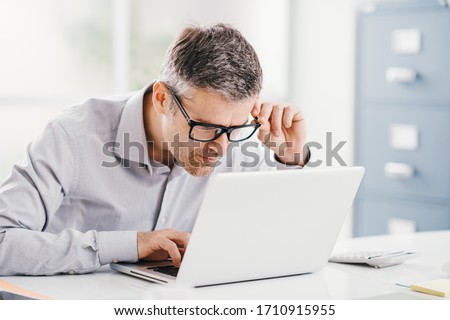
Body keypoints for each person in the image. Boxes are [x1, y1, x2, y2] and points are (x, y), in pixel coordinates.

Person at [0, 23, 309, 275]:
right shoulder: (72, 137)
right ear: (163, 99)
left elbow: (287, 247)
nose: (221, 147)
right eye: (205, 127)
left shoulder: (238, 138)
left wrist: (290, 159)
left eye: (235, 128)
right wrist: (130, 245)